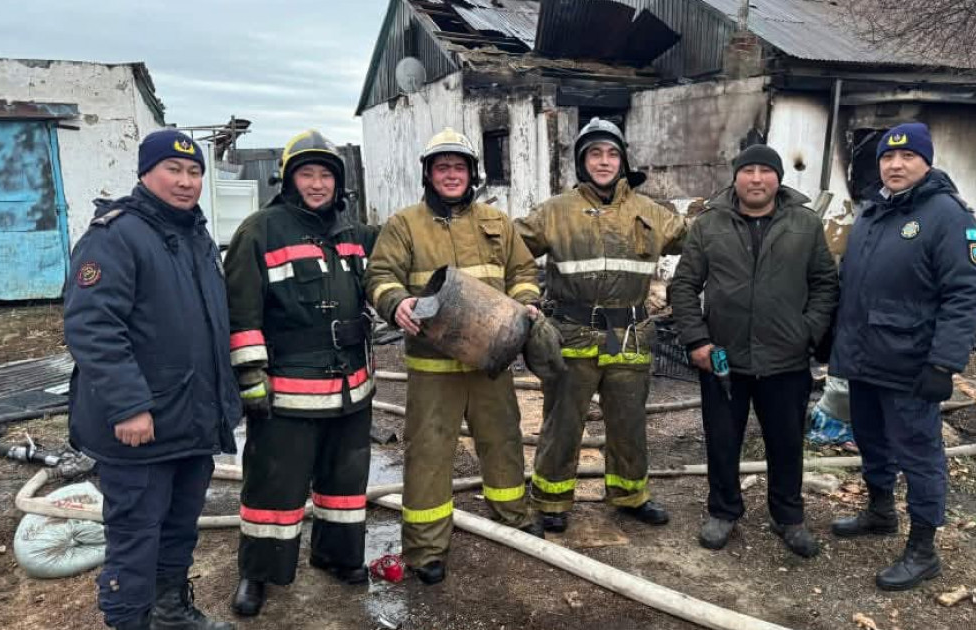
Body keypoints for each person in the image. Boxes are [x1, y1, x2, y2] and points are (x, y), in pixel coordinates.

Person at [64, 129, 239, 630]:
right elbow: (92, 327)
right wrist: (127, 406)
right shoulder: (115, 235)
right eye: (173, 170)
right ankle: (129, 622)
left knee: (178, 530)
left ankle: (171, 613)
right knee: (136, 538)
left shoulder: (195, 236)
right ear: (146, 173)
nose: (186, 182)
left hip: (190, 420)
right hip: (141, 426)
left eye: (194, 172)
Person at [365, 128, 543, 585]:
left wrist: (526, 301)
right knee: (428, 454)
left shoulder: (496, 223)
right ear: (428, 174)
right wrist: (395, 301)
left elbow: (522, 270)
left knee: (503, 438)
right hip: (433, 366)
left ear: (472, 174)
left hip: (489, 361)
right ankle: (426, 550)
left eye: (458, 167)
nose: (450, 175)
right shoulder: (405, 224)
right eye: (442, 167)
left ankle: (514, 516)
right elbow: (381, 274)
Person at [223, 131, 379, 615]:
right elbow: (241, 316)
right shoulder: (260, 230)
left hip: (351, 386)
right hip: (288, 389)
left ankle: (337, 555)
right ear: (289, 179)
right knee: (274, 484)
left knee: (344, 482)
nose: (317, 183)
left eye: (325, 174)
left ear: (339, 182)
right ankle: (259, 573)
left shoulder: (350, 232)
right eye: (307, 174)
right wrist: (251, 382)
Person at [829, 122, 976, 590]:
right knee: (871, 440)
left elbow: (965, 296)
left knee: (919, 455)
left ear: (926, 162)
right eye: (887, 158)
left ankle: (923, 549)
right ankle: (880, 511)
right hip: (864, 359)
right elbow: (854, 287)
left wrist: (944, 364)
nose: (895, 165)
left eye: (907, 157)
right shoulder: (874, 211)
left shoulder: (947, 216)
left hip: (911, 366)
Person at [515, 118, 688, 533]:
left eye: (612, 153)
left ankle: (631, 494)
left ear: (624, 160)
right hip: (571, 333)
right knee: (563, 421)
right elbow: (507, 250)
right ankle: (552, 500)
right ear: (581, 161)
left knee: (628, 420)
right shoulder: (553, 212)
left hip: (628, 334)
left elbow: (701, 239)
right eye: (595, 153)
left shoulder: (651, 213)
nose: (604, 161)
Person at [669, 144, 839, 556]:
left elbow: (825, 284)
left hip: (786, 360)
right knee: (722, 440)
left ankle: (789, 516)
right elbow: (684, 286)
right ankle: (723, 510)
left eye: (766, 171)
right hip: (724, 360)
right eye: (749, 171)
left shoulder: (805, 223)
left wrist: (808, 332)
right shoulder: (709, 225)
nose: (757, 179)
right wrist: (697, 340)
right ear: (736, 177)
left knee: (786, 443)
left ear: (778, 178)